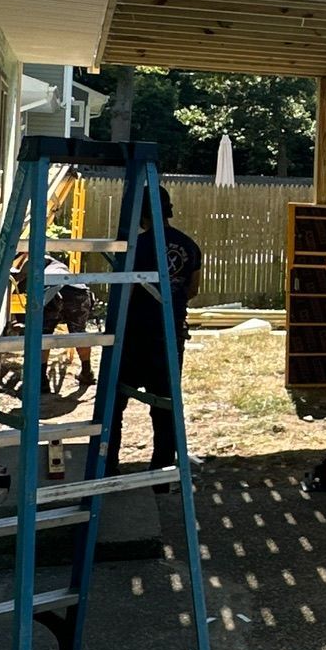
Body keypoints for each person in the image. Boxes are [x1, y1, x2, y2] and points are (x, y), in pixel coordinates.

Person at [110, 188, 203, 472]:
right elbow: (193, 290)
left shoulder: (134, 247)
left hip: (132, 334)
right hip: (169, 333)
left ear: (143, 213)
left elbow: (119, 289)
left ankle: (107, 465)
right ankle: (162, 470)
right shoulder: (189, 246)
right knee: (165, 404)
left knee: (114, 404)